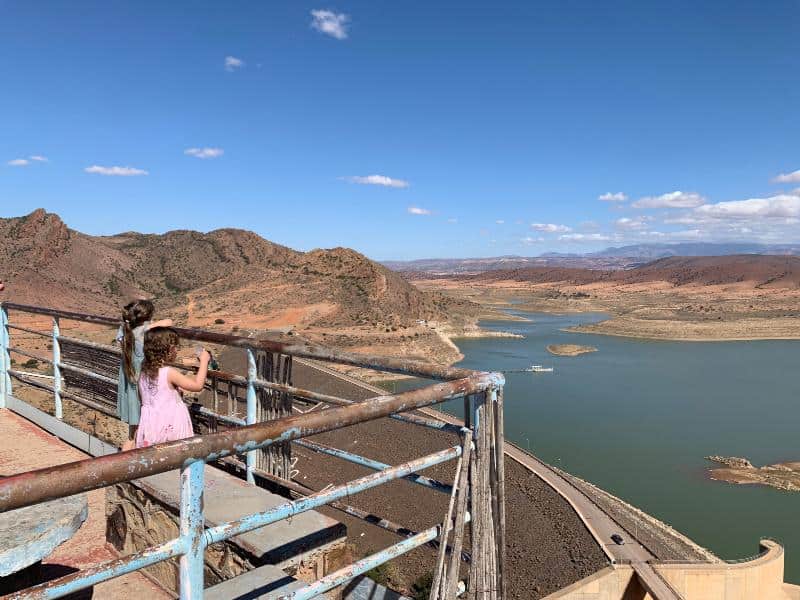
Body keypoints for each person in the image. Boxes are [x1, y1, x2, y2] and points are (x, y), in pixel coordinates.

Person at [135, 327, 210, 448]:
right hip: (171, 427)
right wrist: (204, 361)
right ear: (169, 350)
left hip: (151, 428)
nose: (177, 351)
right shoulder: (168, 372)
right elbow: (197, 386)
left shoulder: (143, 374)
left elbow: (148, 398)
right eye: (176, 347)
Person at [116, 300, 173, 451]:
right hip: (141, 384)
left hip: (129, 379)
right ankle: (125, 466)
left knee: (132, 432)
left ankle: (125, 463)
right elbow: (169, 321)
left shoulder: (125, 329)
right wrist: (152, 325)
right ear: (148, 317)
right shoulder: (144, 331)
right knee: (136, 434)